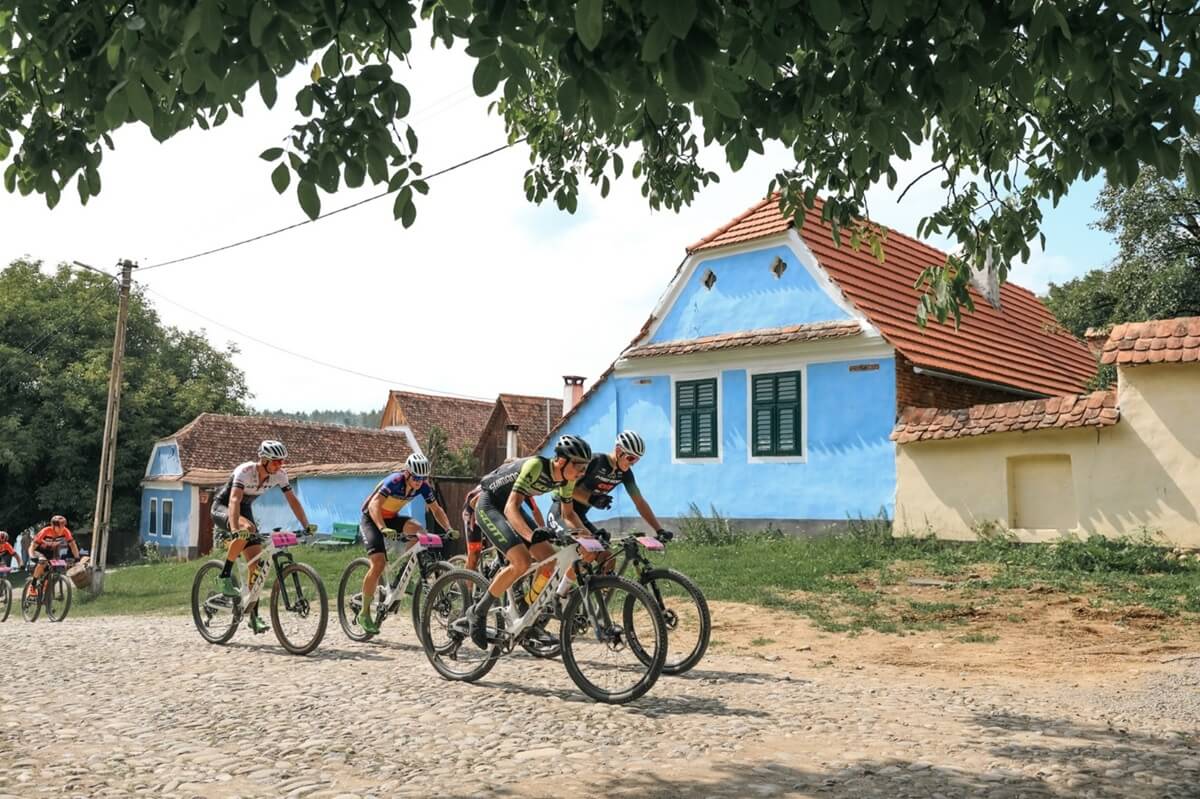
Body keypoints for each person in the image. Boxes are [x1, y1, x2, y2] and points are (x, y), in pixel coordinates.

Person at [461, 435, 592, 649]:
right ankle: (478, 611)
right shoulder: (535, 466)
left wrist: (587, 536)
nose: (582, 472)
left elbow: (568, 514)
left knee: (549, 561)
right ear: (561, 460)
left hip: (511, 506)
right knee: (520, 561)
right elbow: (510, 507)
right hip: (491, 504)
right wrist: (531, 536)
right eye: (579, 465)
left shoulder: (567, 479)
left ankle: (526, 612)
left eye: (585, 467)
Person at [209, 440, 316, 634]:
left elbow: (293, 501)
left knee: (256, 567)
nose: (280, 465)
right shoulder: (245, 471)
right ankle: (224, 575)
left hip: (245, 509)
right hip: (224, 508)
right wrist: (235, 529)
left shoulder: (280, 475)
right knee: (247, 527)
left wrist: (306, 526)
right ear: (264, 460)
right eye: (276, 462)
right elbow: (234, 500)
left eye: (282, 462)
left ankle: (253, 617)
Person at [357, 452, 455, 635]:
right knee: (378, 564)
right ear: (407, 473)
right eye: (416, 477)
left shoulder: (423, 487)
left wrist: (448, 528)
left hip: (391, 518)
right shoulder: (394, 481)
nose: (419, 481)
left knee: (420, 532)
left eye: (423, 478)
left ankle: (403, 576)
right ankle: (363, 613)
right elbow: (374, 506)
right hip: (371, 518)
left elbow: (436, 509)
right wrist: (382, 528)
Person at [547, 430, 675, 555]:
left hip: (580, 517)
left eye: (636, 460)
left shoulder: (625, 473)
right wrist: (591, 498)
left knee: (606, 557)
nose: (632, 463)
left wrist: (659, 530)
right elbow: (565, 487)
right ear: (619, 451)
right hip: (561, 512)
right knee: (583, 550)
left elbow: (640, 502)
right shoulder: (595, 461)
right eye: (630, 458)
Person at [27, 516, 80, 595]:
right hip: (38, 550)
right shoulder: (45, 531)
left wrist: (77, 558)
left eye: (63, 526)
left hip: (51, 552)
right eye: (60, 527)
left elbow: (72, 545)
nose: (62, 529)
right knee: (43, 562)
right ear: (53, 526)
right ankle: (33, 586)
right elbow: (32, 547)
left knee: (53, 569)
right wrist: (32, 556)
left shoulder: (66, 531)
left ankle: (46, 595)